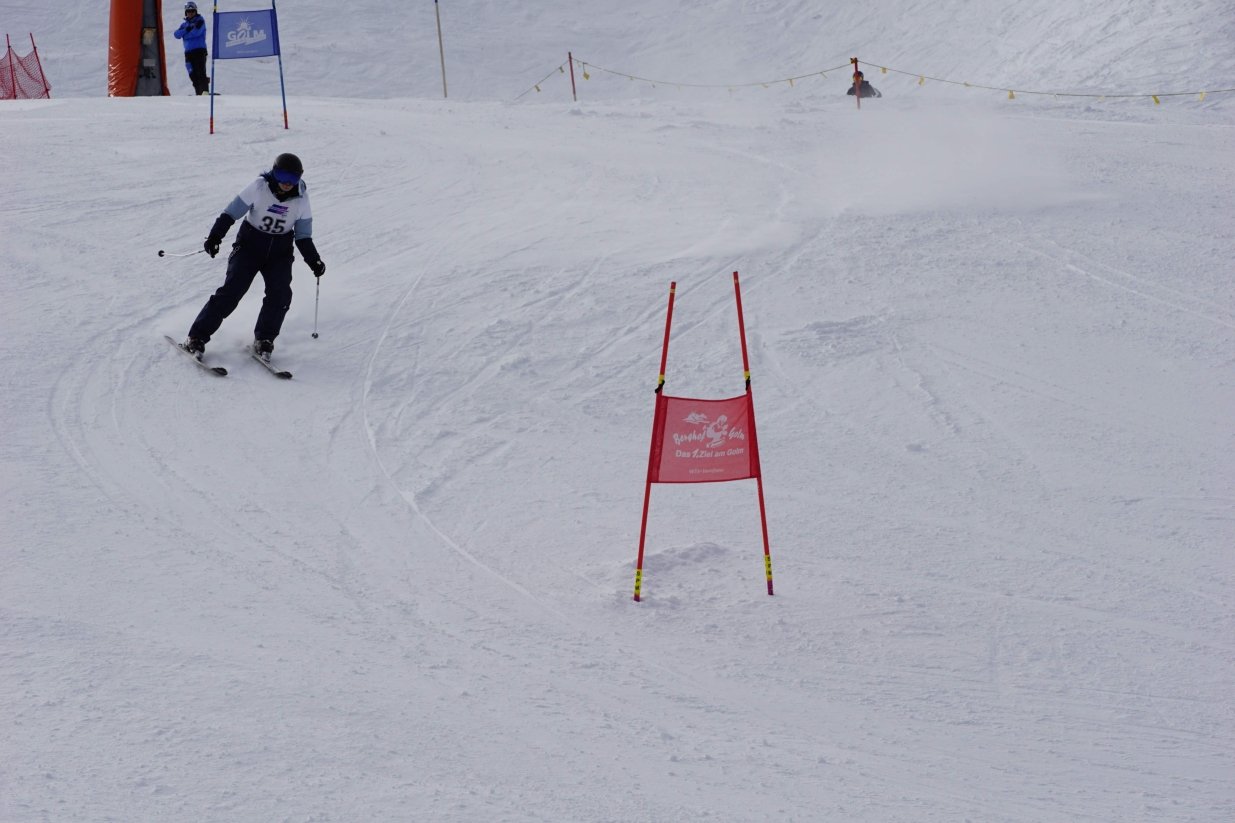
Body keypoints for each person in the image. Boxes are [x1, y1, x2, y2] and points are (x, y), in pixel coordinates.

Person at [182, 153, 327, 361]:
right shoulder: (259, 187)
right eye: (282, 176)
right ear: (274, 173)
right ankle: (196, 336)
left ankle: (264, 339)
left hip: (280, 252)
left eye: (293, 178)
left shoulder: (302, 199)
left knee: (280, 294)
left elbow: (303, 236)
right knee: (232, 290)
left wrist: (314, 260)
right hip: (250, 246)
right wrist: (215, 236)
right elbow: (230, 213)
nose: (287, 183)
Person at [173, 1, 210, 95]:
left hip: (199, 51)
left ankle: (205, 92)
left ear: (195, 11)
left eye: (192, 11)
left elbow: (196, 33)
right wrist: (186, 30)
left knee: (200, 72)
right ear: (186, 12)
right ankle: (198, 93)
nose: (190, 13)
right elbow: (176, 34)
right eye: (188, 11)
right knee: (192, 74)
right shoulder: (184, 25)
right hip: (188, 52)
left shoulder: (200, 21)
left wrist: (185, 34)